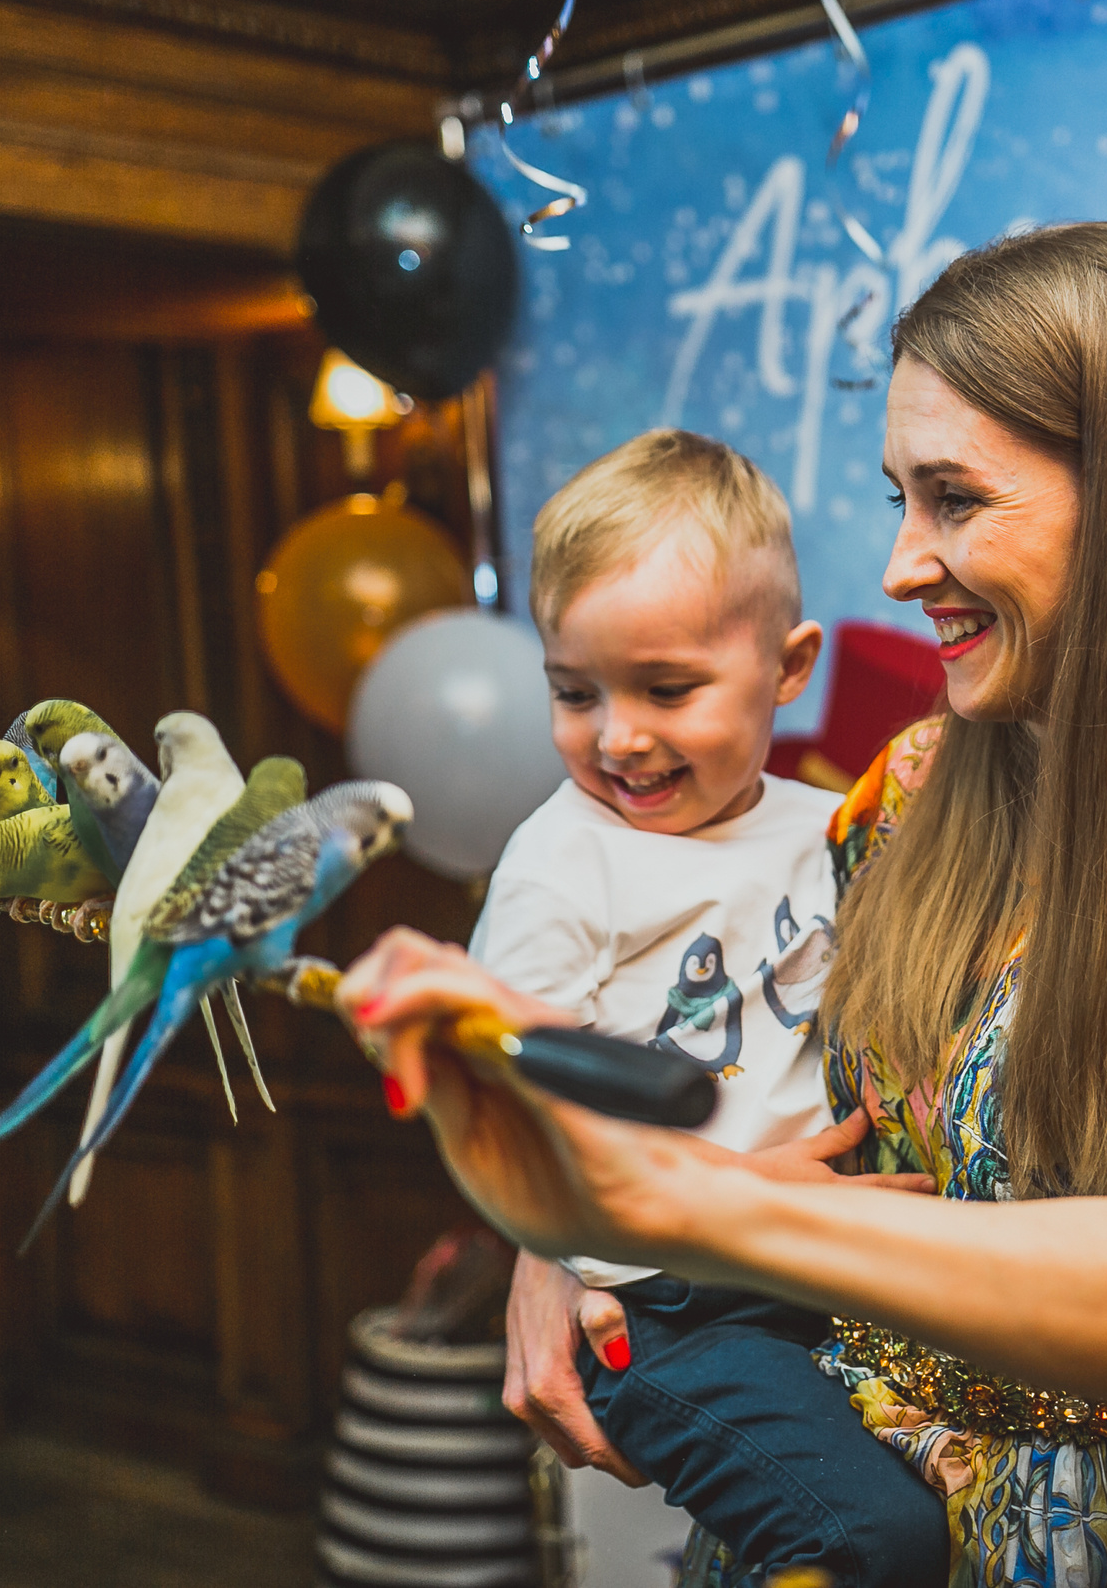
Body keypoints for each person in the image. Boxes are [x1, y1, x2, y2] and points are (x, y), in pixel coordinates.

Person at [345, 224, 1107, 1588]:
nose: (899, 562)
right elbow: (753, 1056)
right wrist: (565, 1249)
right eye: (900, 496)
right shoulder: (917, 786)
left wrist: (677, 1207)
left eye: (954, 498)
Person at [469, 428, 949, 1587]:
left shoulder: (824, 824)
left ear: (788, 669)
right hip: (669, 1313)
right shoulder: (561, 867)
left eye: (667, 689)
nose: (617, 736)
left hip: (817, 1273)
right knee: (869, 1543)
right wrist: (721, 1194)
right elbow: (506, 1131)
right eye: (574, 693)